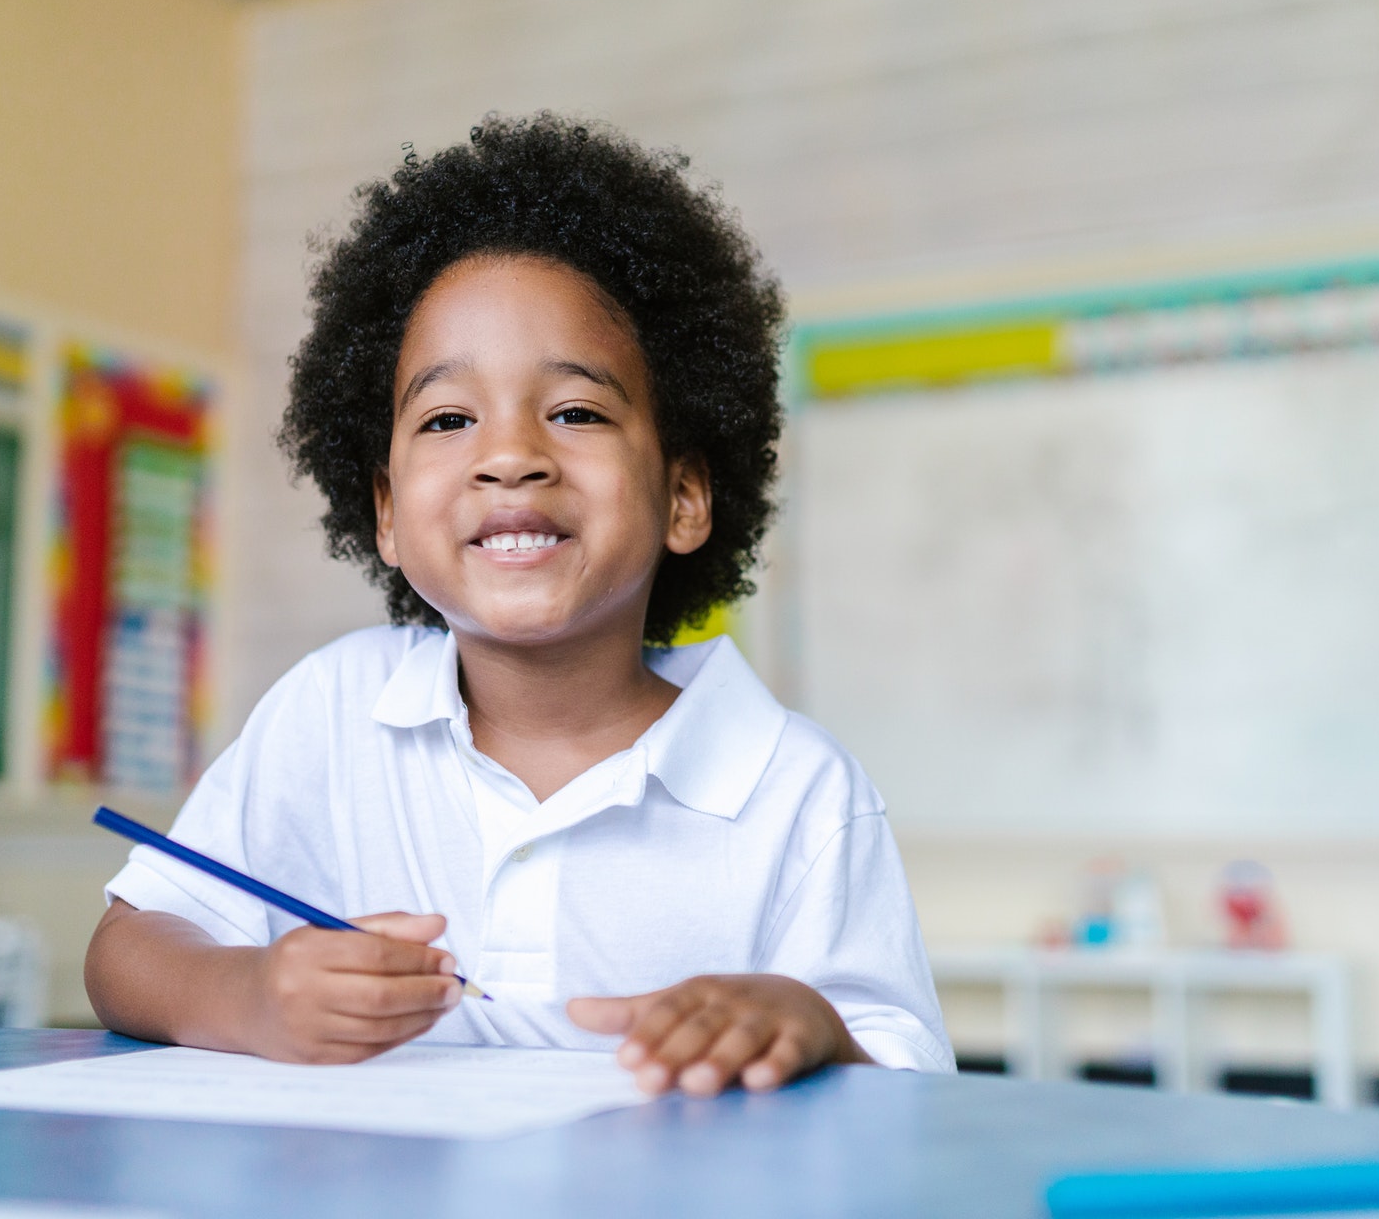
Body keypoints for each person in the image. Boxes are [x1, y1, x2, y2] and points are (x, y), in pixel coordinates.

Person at [85, 114, 952, 1095]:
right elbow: (126, 949)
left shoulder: (800, 793)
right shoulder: (327, 715)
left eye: (576, 411)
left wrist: (807, 1023)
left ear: (684, 494)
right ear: (385, 512)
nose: (509, 455)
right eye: (449, 419)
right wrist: (253, 994)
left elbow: (910, 1069)